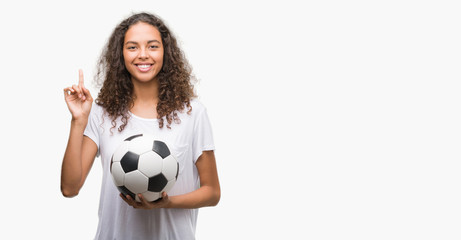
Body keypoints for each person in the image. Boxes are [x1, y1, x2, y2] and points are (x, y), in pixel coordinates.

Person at [61, 12, 220, 240]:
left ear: (166, 52)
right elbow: (70, 188)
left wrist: (166, 203)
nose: (143, 55)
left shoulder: (192, 112)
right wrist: (78, 120)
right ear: (121, 54)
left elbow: (212, 192)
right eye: (132, 47)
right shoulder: (102, 113)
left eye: (153, 46)